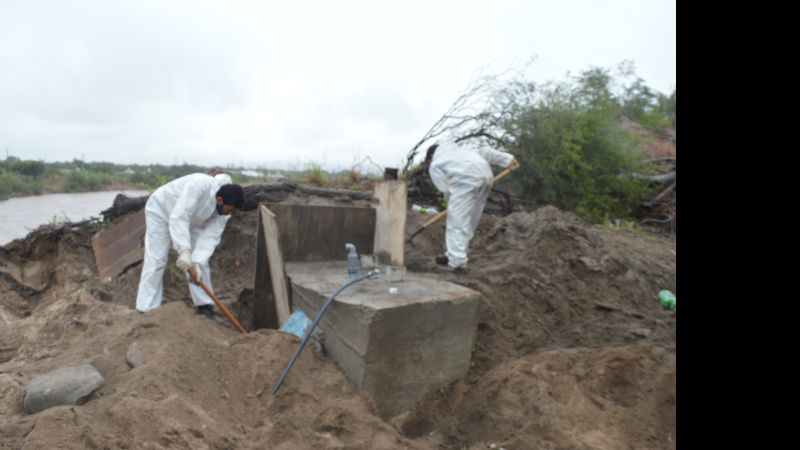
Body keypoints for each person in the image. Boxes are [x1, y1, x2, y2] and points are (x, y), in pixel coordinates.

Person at [135, 172, 245, 320]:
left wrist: (197, 262)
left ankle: (204, 306)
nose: (230, 214)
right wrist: (183, 250)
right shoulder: (199, 184)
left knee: (201, 263)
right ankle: (146, 309)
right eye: (230, 210)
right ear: (219, 200)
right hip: (160, 210)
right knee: (156, 260)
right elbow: (179, 216)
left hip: (192, 221)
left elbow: (210, 238)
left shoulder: (224, 212)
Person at [426, 140, 519, 272]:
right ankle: (453, 254)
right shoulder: (463, 150)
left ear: (431, 157)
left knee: (456, 221)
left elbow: (445, 189)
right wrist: (507, 159)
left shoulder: (435, 164)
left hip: (465, 179)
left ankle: (457, 261)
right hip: (486, 175)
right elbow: (486, 152)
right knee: (470, 220)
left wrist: (453, 206)